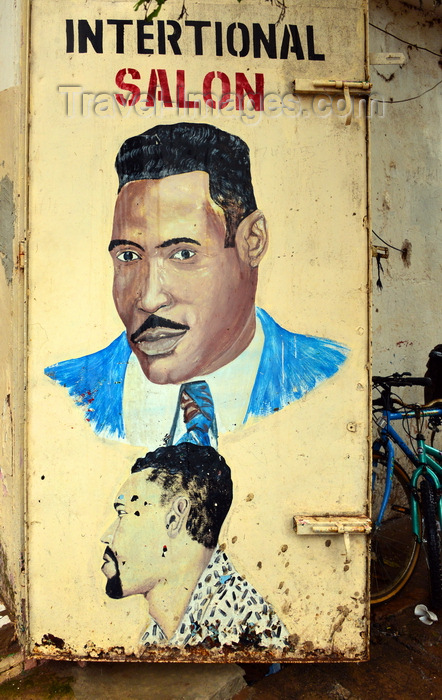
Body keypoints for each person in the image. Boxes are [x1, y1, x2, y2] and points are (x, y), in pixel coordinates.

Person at [45, 123, 348, 444]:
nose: (149, 298)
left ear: (253, 241)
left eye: (183, 253)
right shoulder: (64, 394)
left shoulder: (331, 376)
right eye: (129, 257)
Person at [100, 443, 289, 648]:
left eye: (122, 513)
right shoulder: (163, 633)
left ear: (174, 518)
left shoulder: (244, 633)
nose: (107, 536)